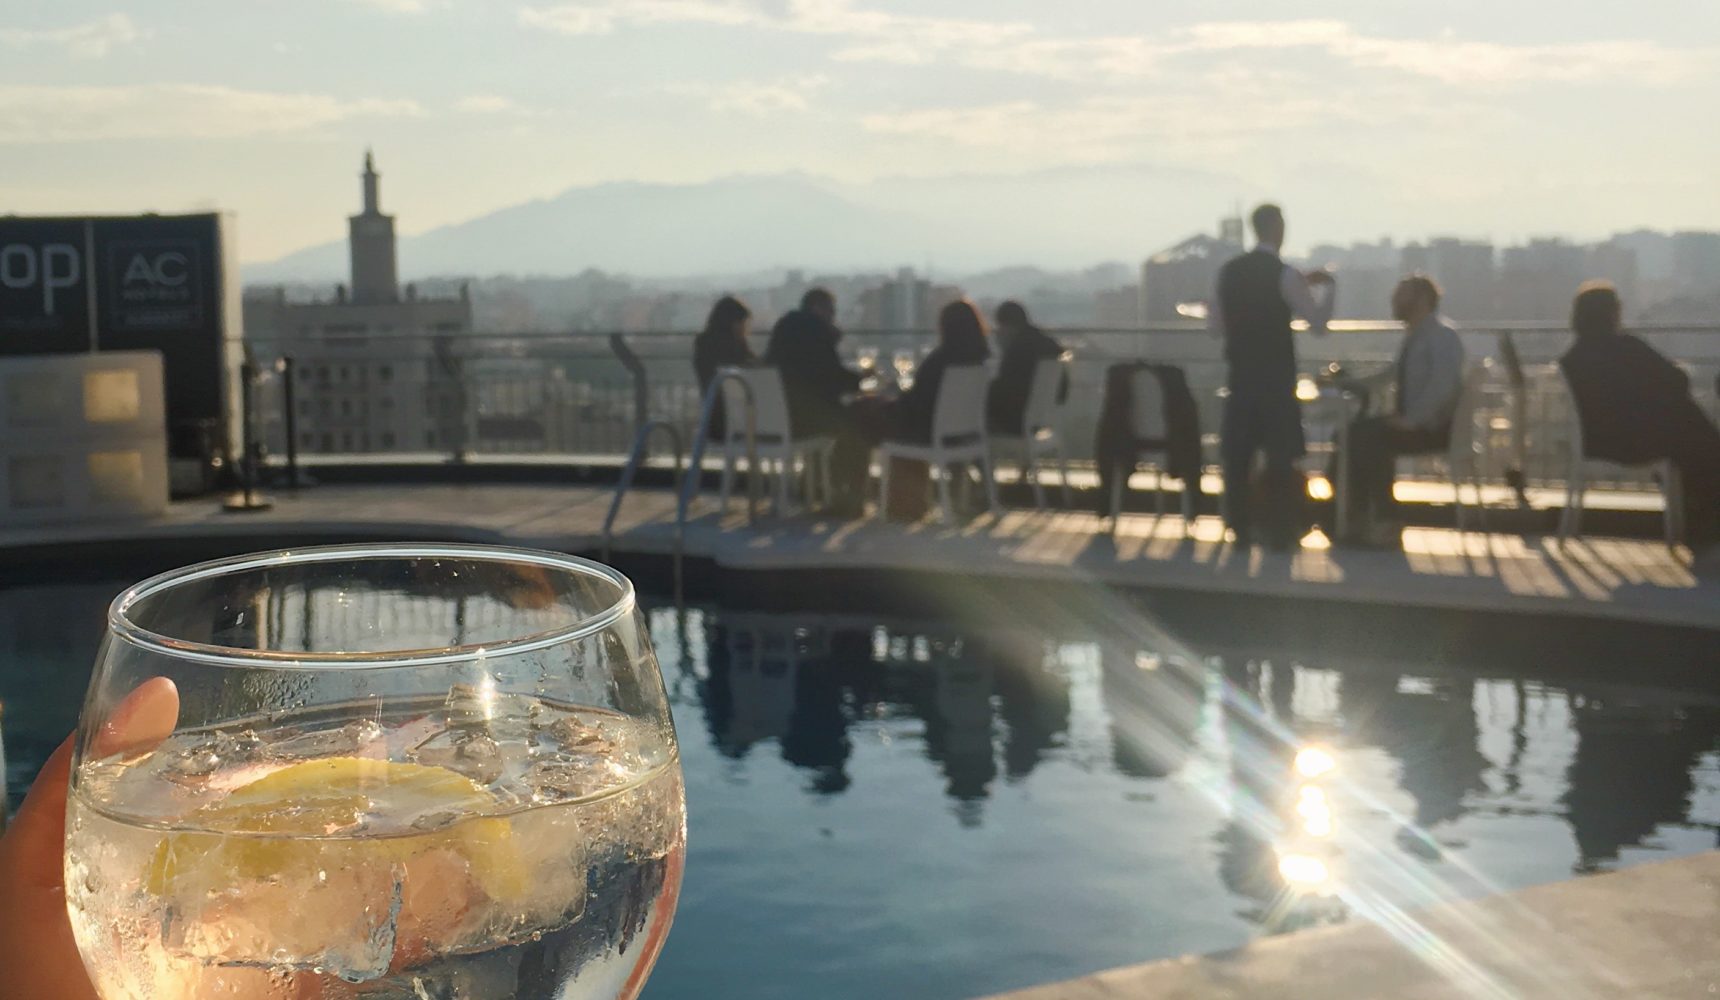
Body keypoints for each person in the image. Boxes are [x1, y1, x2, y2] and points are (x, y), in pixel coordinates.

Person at [1560, 281, 1720, 573]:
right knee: (1697, 433)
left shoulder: (1573, 358)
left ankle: (1698, 524)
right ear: (1612, 313)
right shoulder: (1626, 347)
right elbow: (1676, 380)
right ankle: (1703, 523)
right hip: (1635, 443)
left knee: (1690, 431)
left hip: (1600, 442)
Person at [1210, 203, 1336, 550]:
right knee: (1281, 457)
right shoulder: (1286, 275)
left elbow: (1214, 327)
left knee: (1238, 456)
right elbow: (1318, 325)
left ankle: (1239, 528)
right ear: (1278, 228)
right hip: (1277, 380)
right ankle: (1281, 531)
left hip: (1240, 377)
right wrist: (1329, 287)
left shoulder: (1228, 272)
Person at [1334, 275, 1466, 545]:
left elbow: (1444, 385)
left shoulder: (1442, 336)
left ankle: (1382, 519)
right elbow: (1390, 375)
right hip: (1415, 424)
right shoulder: (1416, 336)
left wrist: (1413, 420)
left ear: (1422, 299)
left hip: (1432, 429)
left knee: (1365, 437)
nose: (1393, 301)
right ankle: (1359, 516)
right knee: (1349, 435)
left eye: (1400, 296)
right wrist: (1349, 382)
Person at [764, 288, 867, 514]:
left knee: (833, 421)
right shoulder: (816, 332)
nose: (833, 317)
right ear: (819, 309)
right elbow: (830, 376)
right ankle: (847, 494)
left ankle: (813, 484)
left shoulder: (784, 328)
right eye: (831, 311)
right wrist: (862, 379)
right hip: (803, 420)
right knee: (859, 421)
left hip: (778, 418)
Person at [986, 300, 1066, 435]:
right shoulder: (1050, 345)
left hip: (1016, 422)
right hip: (1042, 420)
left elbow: (1006, 389)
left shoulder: (1017, 350)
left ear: (1007, 326)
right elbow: (1062, 392)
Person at [692, 295, 756, 440]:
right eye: (743, 324)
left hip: (713, 423)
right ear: (734, 323)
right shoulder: (737, 352)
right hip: (740, 424)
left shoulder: (703, 345)